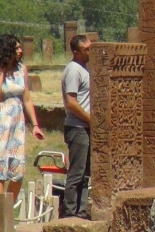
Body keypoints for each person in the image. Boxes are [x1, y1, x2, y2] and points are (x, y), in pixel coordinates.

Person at [0, 34, 45, 201]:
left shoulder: (21, 69)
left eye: (19, 47)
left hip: (17, 123)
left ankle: (7, 209)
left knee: (17, 171)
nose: (20, 51)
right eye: (16, 48)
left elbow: (27, 99)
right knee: (0, 170)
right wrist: (1, 71)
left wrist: (35, 125)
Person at [61, 34, 92, 219]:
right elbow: (71, 102)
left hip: (85, 127)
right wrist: (90, 119)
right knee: (76, 173)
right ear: (76, 52)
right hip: (77, 127)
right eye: (86, 49)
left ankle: (81, 213)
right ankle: (70, 212)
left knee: (85, 174)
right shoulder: (74, 70)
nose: (90, 51)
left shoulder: (85, 68)